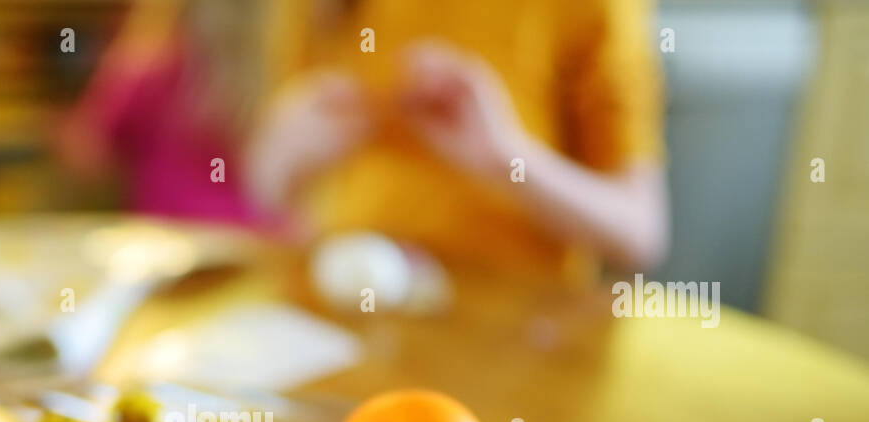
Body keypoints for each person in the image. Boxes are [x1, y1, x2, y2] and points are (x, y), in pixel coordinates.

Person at [245, 0, 670, 280]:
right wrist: (285, 147)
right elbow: (270, 190)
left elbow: (639, 232)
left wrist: (505, 156)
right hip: (346, 306)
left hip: (515, 335)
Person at [56, 0, 275, 228]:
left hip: (169, 235)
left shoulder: (149, 73)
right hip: (254, 230)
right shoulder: (263, 80)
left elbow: (87, 154)